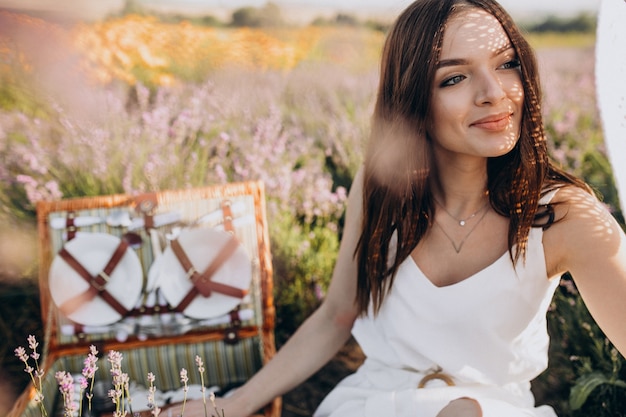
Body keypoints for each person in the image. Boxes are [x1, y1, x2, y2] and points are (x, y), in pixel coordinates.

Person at [171, 0, 626, 415]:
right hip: (374, 403)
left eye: (507, 64)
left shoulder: (565, 216)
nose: (495, 93)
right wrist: (233, 405)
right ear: (413, 100)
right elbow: (336, 316)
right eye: (454, 77)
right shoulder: (380, 192)